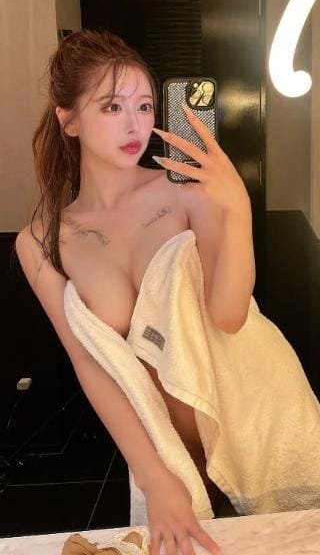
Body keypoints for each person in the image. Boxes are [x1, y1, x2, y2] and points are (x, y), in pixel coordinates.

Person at [14, 29, 260, 555]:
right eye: (112, 107)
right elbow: (90, 363)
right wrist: (154, 477)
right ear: (68, 119)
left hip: (239, 436)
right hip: (161, 453)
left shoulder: (186, 191)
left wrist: (237, 206)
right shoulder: (40, 241)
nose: (135, 125)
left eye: (145, 105)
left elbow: (229, 316)